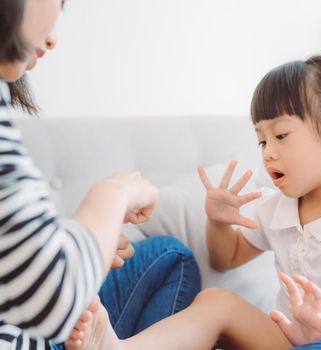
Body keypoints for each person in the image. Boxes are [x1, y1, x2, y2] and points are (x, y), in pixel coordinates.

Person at [65, 56, 321, 350]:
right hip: (287, 341)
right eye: (262, 141)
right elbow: (227, 257)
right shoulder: (277, 207)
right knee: (216, 301)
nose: (268, 153)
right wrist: (220, 222)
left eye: (281, 136)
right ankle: (121, 349)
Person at [0, 1, 200, 349]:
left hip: (38, 312)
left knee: (170, 256)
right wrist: (114, 193)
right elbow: (51, 296)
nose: (53, 38)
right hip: (38, 320)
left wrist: (91, 244)